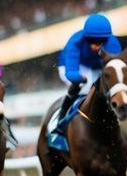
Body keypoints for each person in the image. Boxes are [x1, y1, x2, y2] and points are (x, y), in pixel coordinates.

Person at [48, 13, 123, 151]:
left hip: (95, 65)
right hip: (72, 66)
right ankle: (61, 119)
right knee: (86, 88)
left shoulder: (113, 44)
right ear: (86, 37)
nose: (96, 46)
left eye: (100, 42)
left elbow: (116, 68)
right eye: (92, 42)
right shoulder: (75, 42)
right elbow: (70, 73)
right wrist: (79, 78)